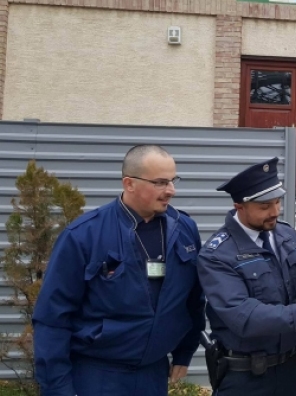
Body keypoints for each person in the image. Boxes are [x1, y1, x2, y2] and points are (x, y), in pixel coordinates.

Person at [33, 144, 205, 396]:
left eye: (172, 180)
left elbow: (193, 299)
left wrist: (185, 351)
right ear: (129, 183)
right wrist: (58, 389)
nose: (171, 190)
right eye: (160, 182)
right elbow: (52, 318)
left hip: (153, 374)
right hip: (98, 376)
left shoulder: (184, 230)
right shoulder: (84, 236)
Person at [197, 157, 296, 396]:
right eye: (265, 207)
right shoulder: (217, 255)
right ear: (240, 207)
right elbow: (243, 316)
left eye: (277, 202)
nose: (275, 212)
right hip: (243, 377)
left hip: (288, 369)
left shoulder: (287, 237)